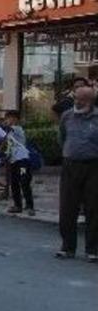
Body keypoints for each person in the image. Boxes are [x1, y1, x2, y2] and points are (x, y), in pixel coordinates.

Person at [55, 82, 98, 262]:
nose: (77, 102)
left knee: (94, 208)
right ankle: (67, 247)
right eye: (76, 98)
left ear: (90, 101)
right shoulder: (67, 116)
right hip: (70, 165)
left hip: (93, 166)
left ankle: (92, 250)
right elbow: (62, 137)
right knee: (67, 207)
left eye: (81, 100)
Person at [2, 110, 34, 216]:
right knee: (14, 183)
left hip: (22, 161)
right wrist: (7, 154)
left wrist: (0, 125)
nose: (7, 120)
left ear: (16, 119)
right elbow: (9, 145)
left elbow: (7, 129)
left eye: (9, 118)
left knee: (24, 182)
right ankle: (17, 205)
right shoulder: (9, 133)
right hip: (13, 161)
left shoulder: (18, 129)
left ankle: (30, 206)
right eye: (6, 118)